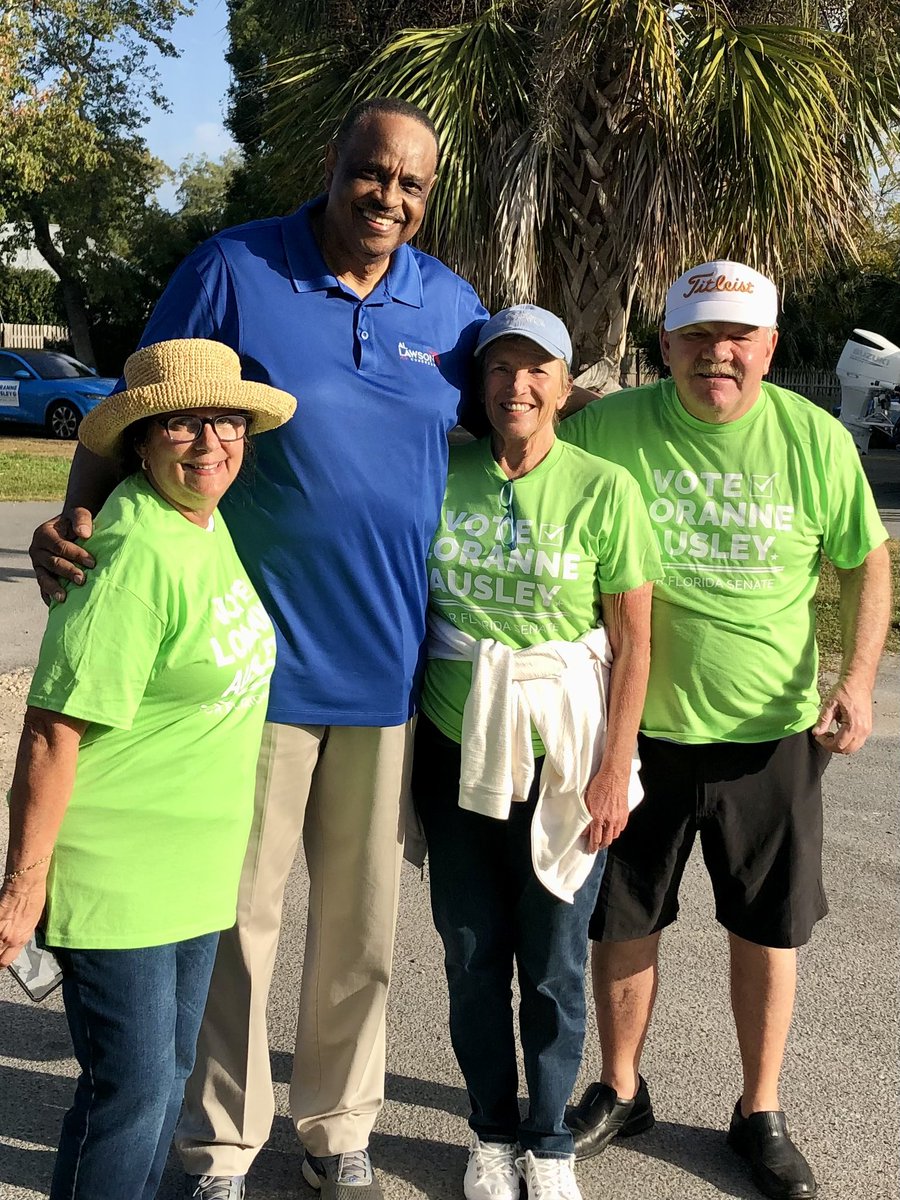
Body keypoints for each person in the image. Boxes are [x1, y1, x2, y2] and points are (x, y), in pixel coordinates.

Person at [28, 97, 488, 1200]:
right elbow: (148, 396)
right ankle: (222, 1141)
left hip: (389, 667)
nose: (389, 197)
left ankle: (339, 1125)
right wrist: (78, 512)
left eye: (412, 184)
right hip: (253, 672)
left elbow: (513, 425)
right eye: (372, 172)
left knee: (362, 930)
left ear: (430, 197)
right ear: (334, 164)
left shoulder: (453, 304)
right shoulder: (235, 266)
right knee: (239, 921)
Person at [559, 261, 891, 1200]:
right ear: (664, 346)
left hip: (772, 737)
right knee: (623, 921)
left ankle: (760, 1109)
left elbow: (869, 563)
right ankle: (622, 1088)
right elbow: (523, 456)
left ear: (770, 347)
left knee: (766, 928)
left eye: (739, 337)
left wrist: (858, 682)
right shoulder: (608, 431)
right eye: (698, 337)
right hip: (636, 734)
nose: (720, 355)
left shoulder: (814, 440)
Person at [0, 338, 295, 1200]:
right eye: (183, 423)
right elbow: (53, 729)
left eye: (227, 419)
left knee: (163, 1082)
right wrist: (23, 887)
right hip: (119, 873)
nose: (211, 441)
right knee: (130, 1095)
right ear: (140, 439)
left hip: (191, 872)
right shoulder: (130, 550)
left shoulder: (201, 521)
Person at [412, 306, 662, 1200]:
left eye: (535, 370)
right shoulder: (442, 471)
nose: (516, 386)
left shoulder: (604, 488)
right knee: (472, 952)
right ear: (479, 386)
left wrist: (611, 769)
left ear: (563, 385)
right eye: (498, 370)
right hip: (457, 748)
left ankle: (548, 1140)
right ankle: (490, 1129)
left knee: (554, 958)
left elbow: (632, 641)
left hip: (568, 757)